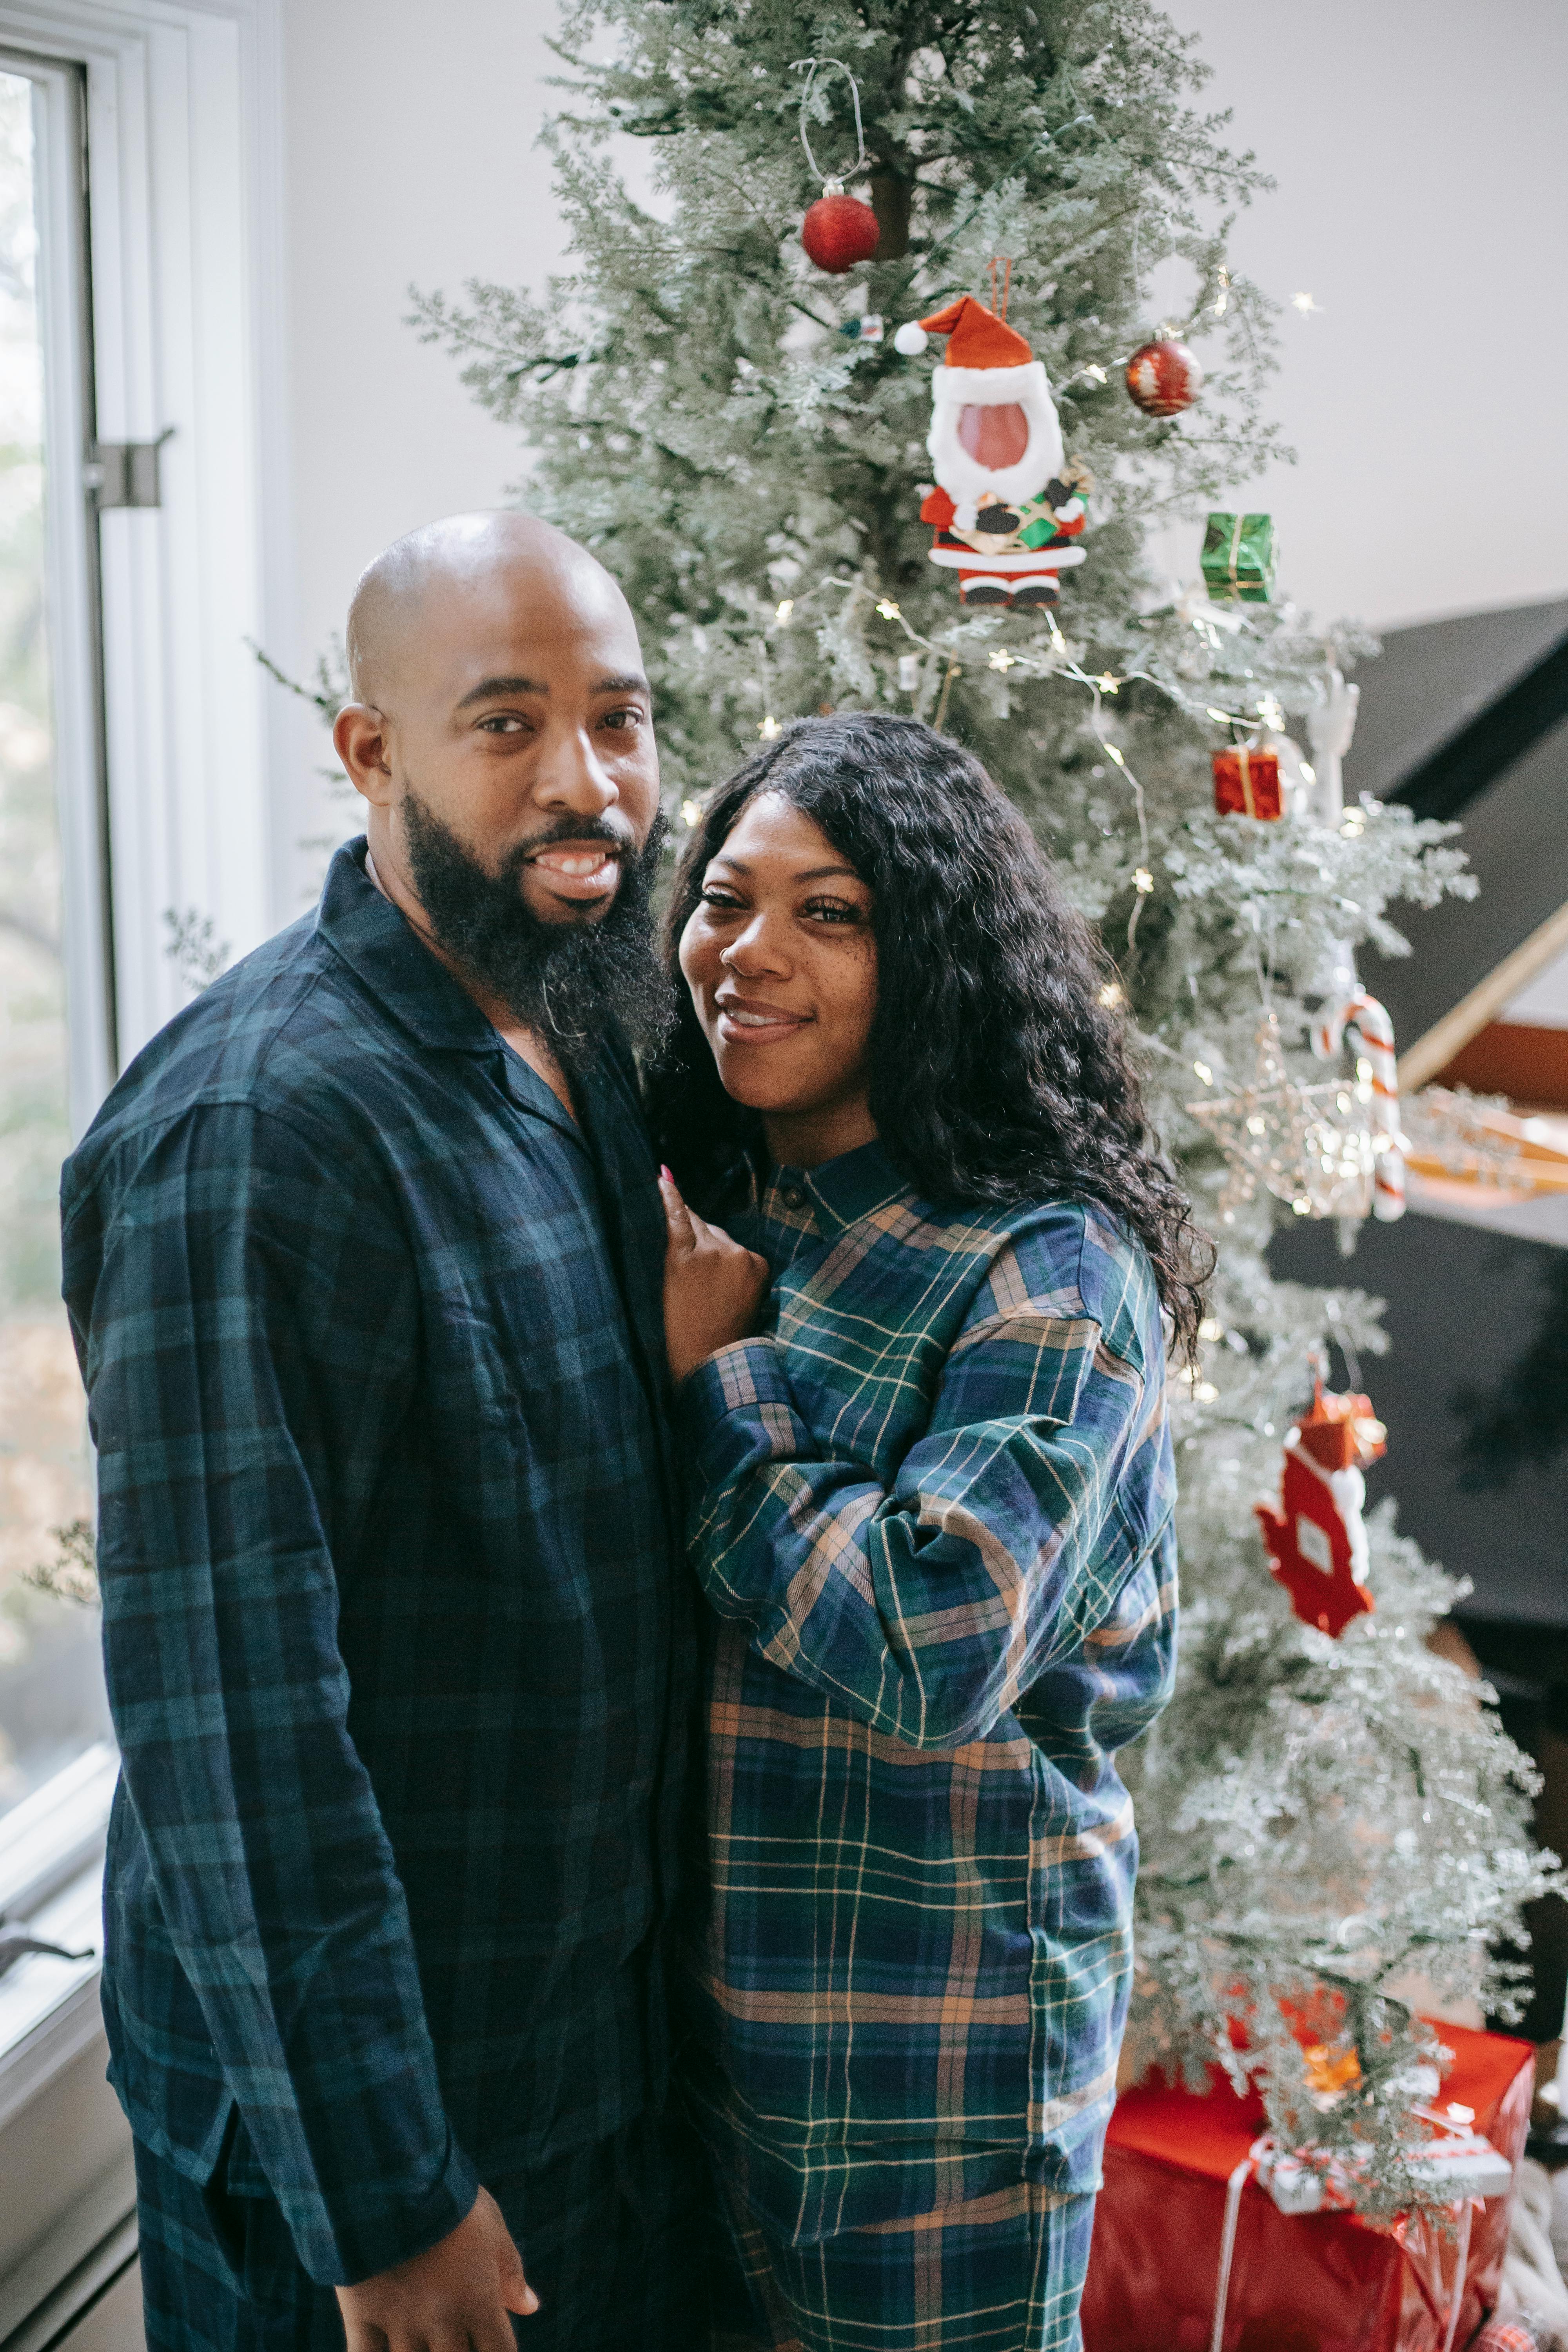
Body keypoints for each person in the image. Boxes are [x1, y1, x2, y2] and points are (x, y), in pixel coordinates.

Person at [62, 512, 764, 2352]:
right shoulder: (255, 1141)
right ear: (370, 752)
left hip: (595, 2078)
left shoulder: (585, 1028)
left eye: (618, 721)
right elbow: (234, 1729)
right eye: (507, 724)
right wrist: (385, 2199)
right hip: (379, 2162)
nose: (586, 784)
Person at [650, 712, 1210, 2352]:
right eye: (725, 900)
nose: (747, 955)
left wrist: (724, 1385)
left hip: (933, 2083)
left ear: (939, 960)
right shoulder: (721, 1208)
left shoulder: (1049, 1266)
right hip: (701, 2054)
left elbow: (935, 1638)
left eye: (829, 914)